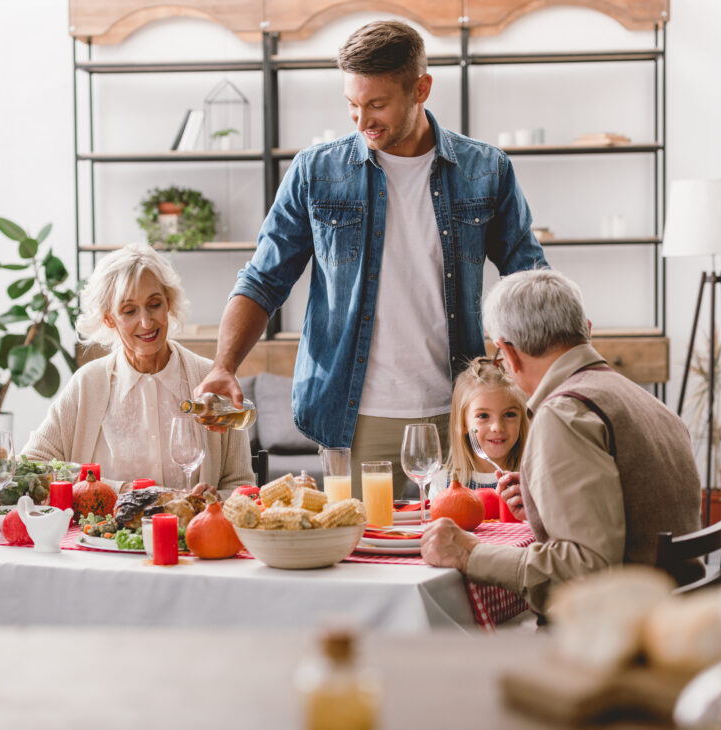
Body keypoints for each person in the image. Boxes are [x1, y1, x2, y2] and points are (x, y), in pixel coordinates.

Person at [195, 20, 547, 497]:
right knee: (361, 557)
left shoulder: (486, 170)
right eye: (352, 106)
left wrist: (562, 358)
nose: (362, 122)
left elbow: (528, 277)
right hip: (353, 417)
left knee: (464, 554)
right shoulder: (316, 173)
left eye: (377, 104)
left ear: (421, 87)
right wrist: (224, 366)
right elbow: (263, 279)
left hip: (461, 416)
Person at [420, 269, 703, 614]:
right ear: (586, 328)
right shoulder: (646, 403)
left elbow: (586, 571)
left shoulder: (564, 414)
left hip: (623, 633)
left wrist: (470, 553)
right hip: (674, 614)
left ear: (508, 353)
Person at [23, 244, 253, 490]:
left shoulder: (209, 379)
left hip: (191, 528)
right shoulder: (88, 384)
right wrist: (120, 490)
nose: (146, 322)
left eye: (154, 304)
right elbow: (34, 466)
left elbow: (241, 485)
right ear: (109, 319)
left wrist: (214, 501)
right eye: (129, 311)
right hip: (104, 529)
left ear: (169, 303)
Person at [434, 357, 529, 491]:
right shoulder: (441, 483)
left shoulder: (533, 480)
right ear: (463, 424)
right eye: (483, 416)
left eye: (509, 414)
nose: (497, 427)